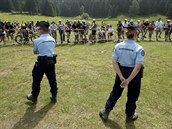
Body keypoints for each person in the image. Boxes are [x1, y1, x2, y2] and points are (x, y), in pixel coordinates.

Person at [99, 25, 145, 122]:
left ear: (126, 33)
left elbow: (114, 62)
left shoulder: (118, 46)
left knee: (116, 92)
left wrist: (121, 76)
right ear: (136, 33)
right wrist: (128, 80)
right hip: (133, 74)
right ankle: (130, 115)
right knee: (132, 95)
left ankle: (106, 111)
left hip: (121, 71)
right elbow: (137, 68)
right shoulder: (139, 48)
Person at [27, 21, 58, 104]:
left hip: (41, 61)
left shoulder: (37, 40)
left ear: (41, 29)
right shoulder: (52, 39)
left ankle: (34, 96)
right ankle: (54, 96)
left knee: (36, 79)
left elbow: (35, 52)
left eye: (37, 29)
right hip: (51, 61)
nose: (37, 30)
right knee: (52, 79)